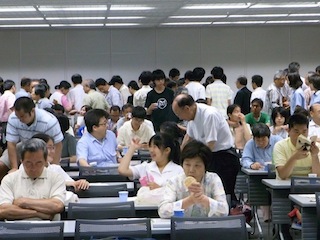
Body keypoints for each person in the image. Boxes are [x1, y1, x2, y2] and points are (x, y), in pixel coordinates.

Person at [172, 94, 240, 201]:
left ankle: (227, 215)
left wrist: (200, 162)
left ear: (187, 108)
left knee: (223, 193)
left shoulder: (209, 115)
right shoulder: (192, 116)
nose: (179, 117)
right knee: (204, 192)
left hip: (223, 158)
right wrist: (181, 156)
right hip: (207, 156)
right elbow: (188, 136)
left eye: (178, 114)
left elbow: (211, 143)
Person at [158, 140, 229, 218]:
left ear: (205, 166)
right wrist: (189, 200)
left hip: (208, 228)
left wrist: (203, 199)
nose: (191, 170)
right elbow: (162, 211)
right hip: (180, 228)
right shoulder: (174, 182)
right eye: (187, 164)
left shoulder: (213, 179)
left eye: (197, 165)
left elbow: (224, 211)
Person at [0, 138, 65, 221]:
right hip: (16, 230)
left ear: (45, 161)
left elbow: (57, 206)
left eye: (38, 163)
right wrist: (39, 214)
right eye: (28, 163)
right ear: (21, 161)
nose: (33, 168)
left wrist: (23, 202)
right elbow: (4, 210)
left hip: (48, 230)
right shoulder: (9, 179)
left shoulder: (56, 178)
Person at [1, 97, 63, 179]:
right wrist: (14, 168)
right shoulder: (13, 118)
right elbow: (11, 144)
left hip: (44, 149)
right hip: (23, 145)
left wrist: (54, 167)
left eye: (22, 116)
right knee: (1, 166)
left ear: (32, 111)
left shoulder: (49, 121)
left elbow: (58, 144)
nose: (19, 119)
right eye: (18, 116)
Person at [118, 133, 183, 189]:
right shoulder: (146, 167)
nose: (151, 150)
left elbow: (180, 193)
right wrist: (132, 148)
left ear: (167, 150)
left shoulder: (178, 170)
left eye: (155, 147)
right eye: (150, 146)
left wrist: (160, 189)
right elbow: (122, 170)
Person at [273, 114, 320, 180]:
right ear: (288, 131)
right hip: (286, 188)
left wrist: (315, 156)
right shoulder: (280, 146)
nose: (300, 135)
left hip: (309, 187)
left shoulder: (316, 147)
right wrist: (294, 158)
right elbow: (282, 175)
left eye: (304, 131)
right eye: (296, 131)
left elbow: (317, 176)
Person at [0, 80, 16, 151]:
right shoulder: (11, 95)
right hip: (10, 122)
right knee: (10, 142)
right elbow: (12, 107)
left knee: (4, 142)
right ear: (13, 87)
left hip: (2, 122)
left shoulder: (2, 96)